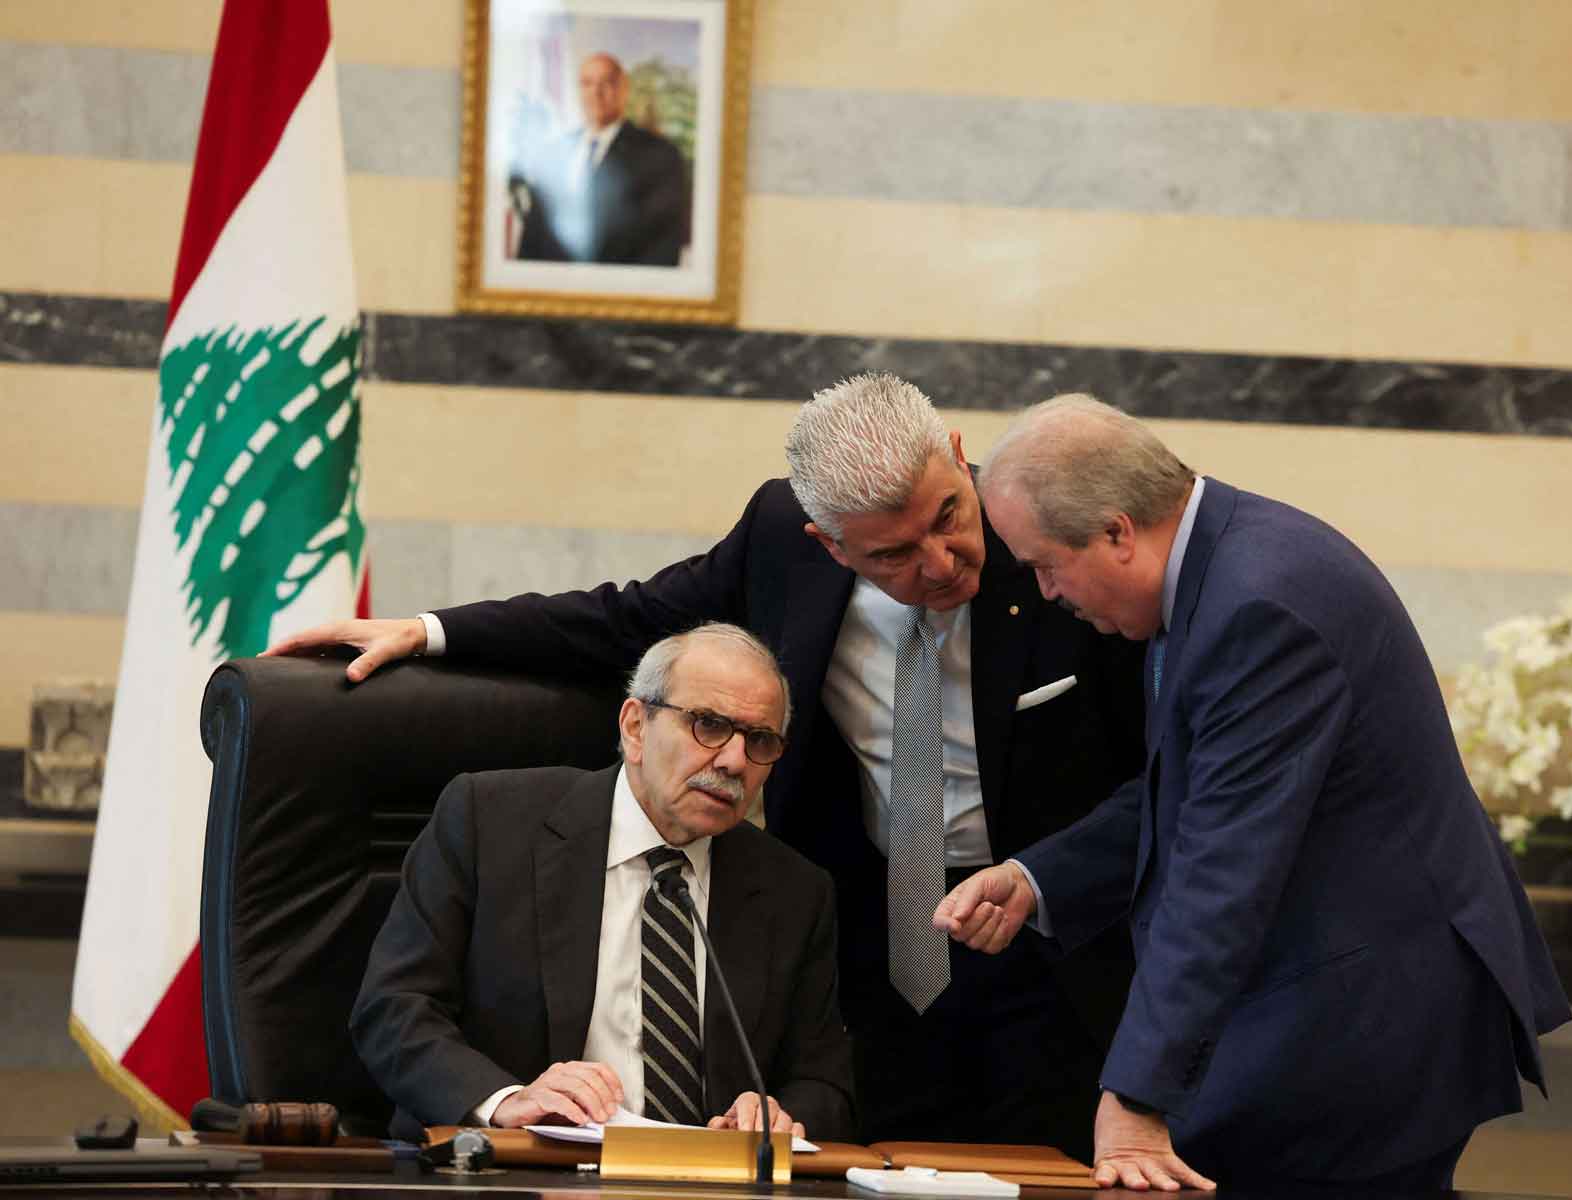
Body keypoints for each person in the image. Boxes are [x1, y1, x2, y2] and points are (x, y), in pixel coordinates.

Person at [270, 375, 1145, 1158]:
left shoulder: (1049, 543)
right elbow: (621, 619)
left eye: (950, 517)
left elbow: (1164, 768)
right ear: (829, 545)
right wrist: (428, 631)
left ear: (960, 458)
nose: (943, 561)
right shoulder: (779, 541)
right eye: (893, 556)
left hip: (1052, 933)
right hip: (876, 929)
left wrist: (1044, 877)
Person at [935, 395, 1572, 1193]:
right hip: (1324, 1002)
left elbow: (1222, 871)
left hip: (1365, 1023)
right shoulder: (1221, 568)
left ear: (1117, 533)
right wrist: (1040, 877)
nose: (1046, 592)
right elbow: (1193, 788)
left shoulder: (1260, 607)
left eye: (1044, 565)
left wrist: (1136, 1093)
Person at [351, 623, 854, 1140]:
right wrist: (506, 1101)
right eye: (708, 725)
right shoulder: (490, 823)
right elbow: (394, 1009)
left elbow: (823, 1081)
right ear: (636, 727)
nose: (733, 761)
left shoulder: (794, 890)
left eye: (760, 741)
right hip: (521, 1169)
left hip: (705, 1181)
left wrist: (778, 1114)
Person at [508, 52, 689, 265]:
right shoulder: (554, 152)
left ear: (624, 90)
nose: (596, 92)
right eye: (587, 84)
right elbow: (532, 236)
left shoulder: (659, 155)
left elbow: (664, 245)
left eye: (607, 83)